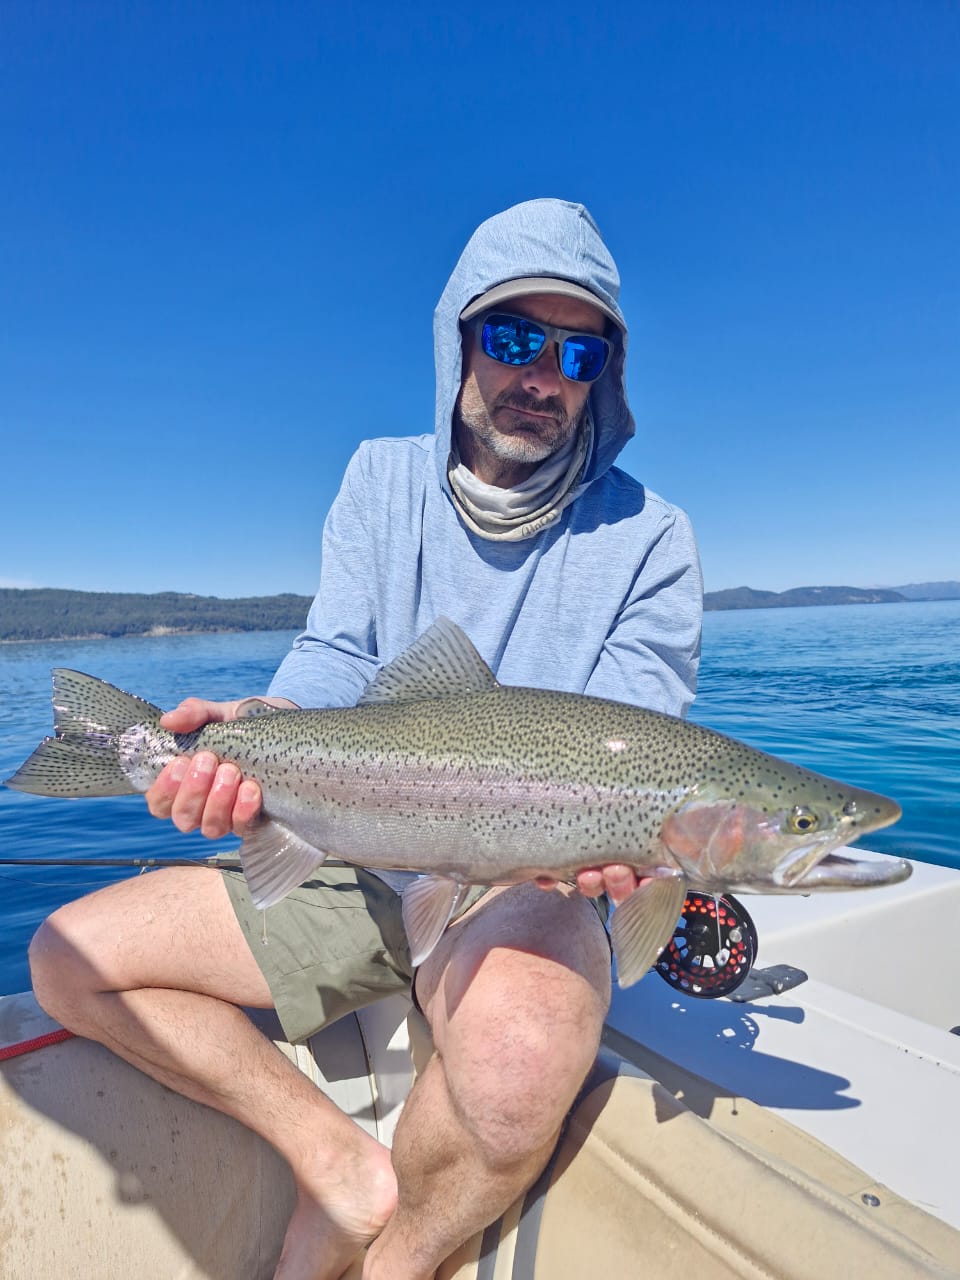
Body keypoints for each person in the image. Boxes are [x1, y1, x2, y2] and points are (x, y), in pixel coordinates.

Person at [28, 198, 703, 1280]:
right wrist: (268, 729)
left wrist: (626, 852)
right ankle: (333, 1158)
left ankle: (399, 1264)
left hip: (530, 882)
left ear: (603, 373)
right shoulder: (380, 481)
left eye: (577, 350)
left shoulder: (653, 540)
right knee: (66, 959)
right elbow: (337, 651)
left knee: (524, 1064)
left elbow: (632, 732)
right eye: (515, 336)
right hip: (347, 848)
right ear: (463, 340)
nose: (543, 373)